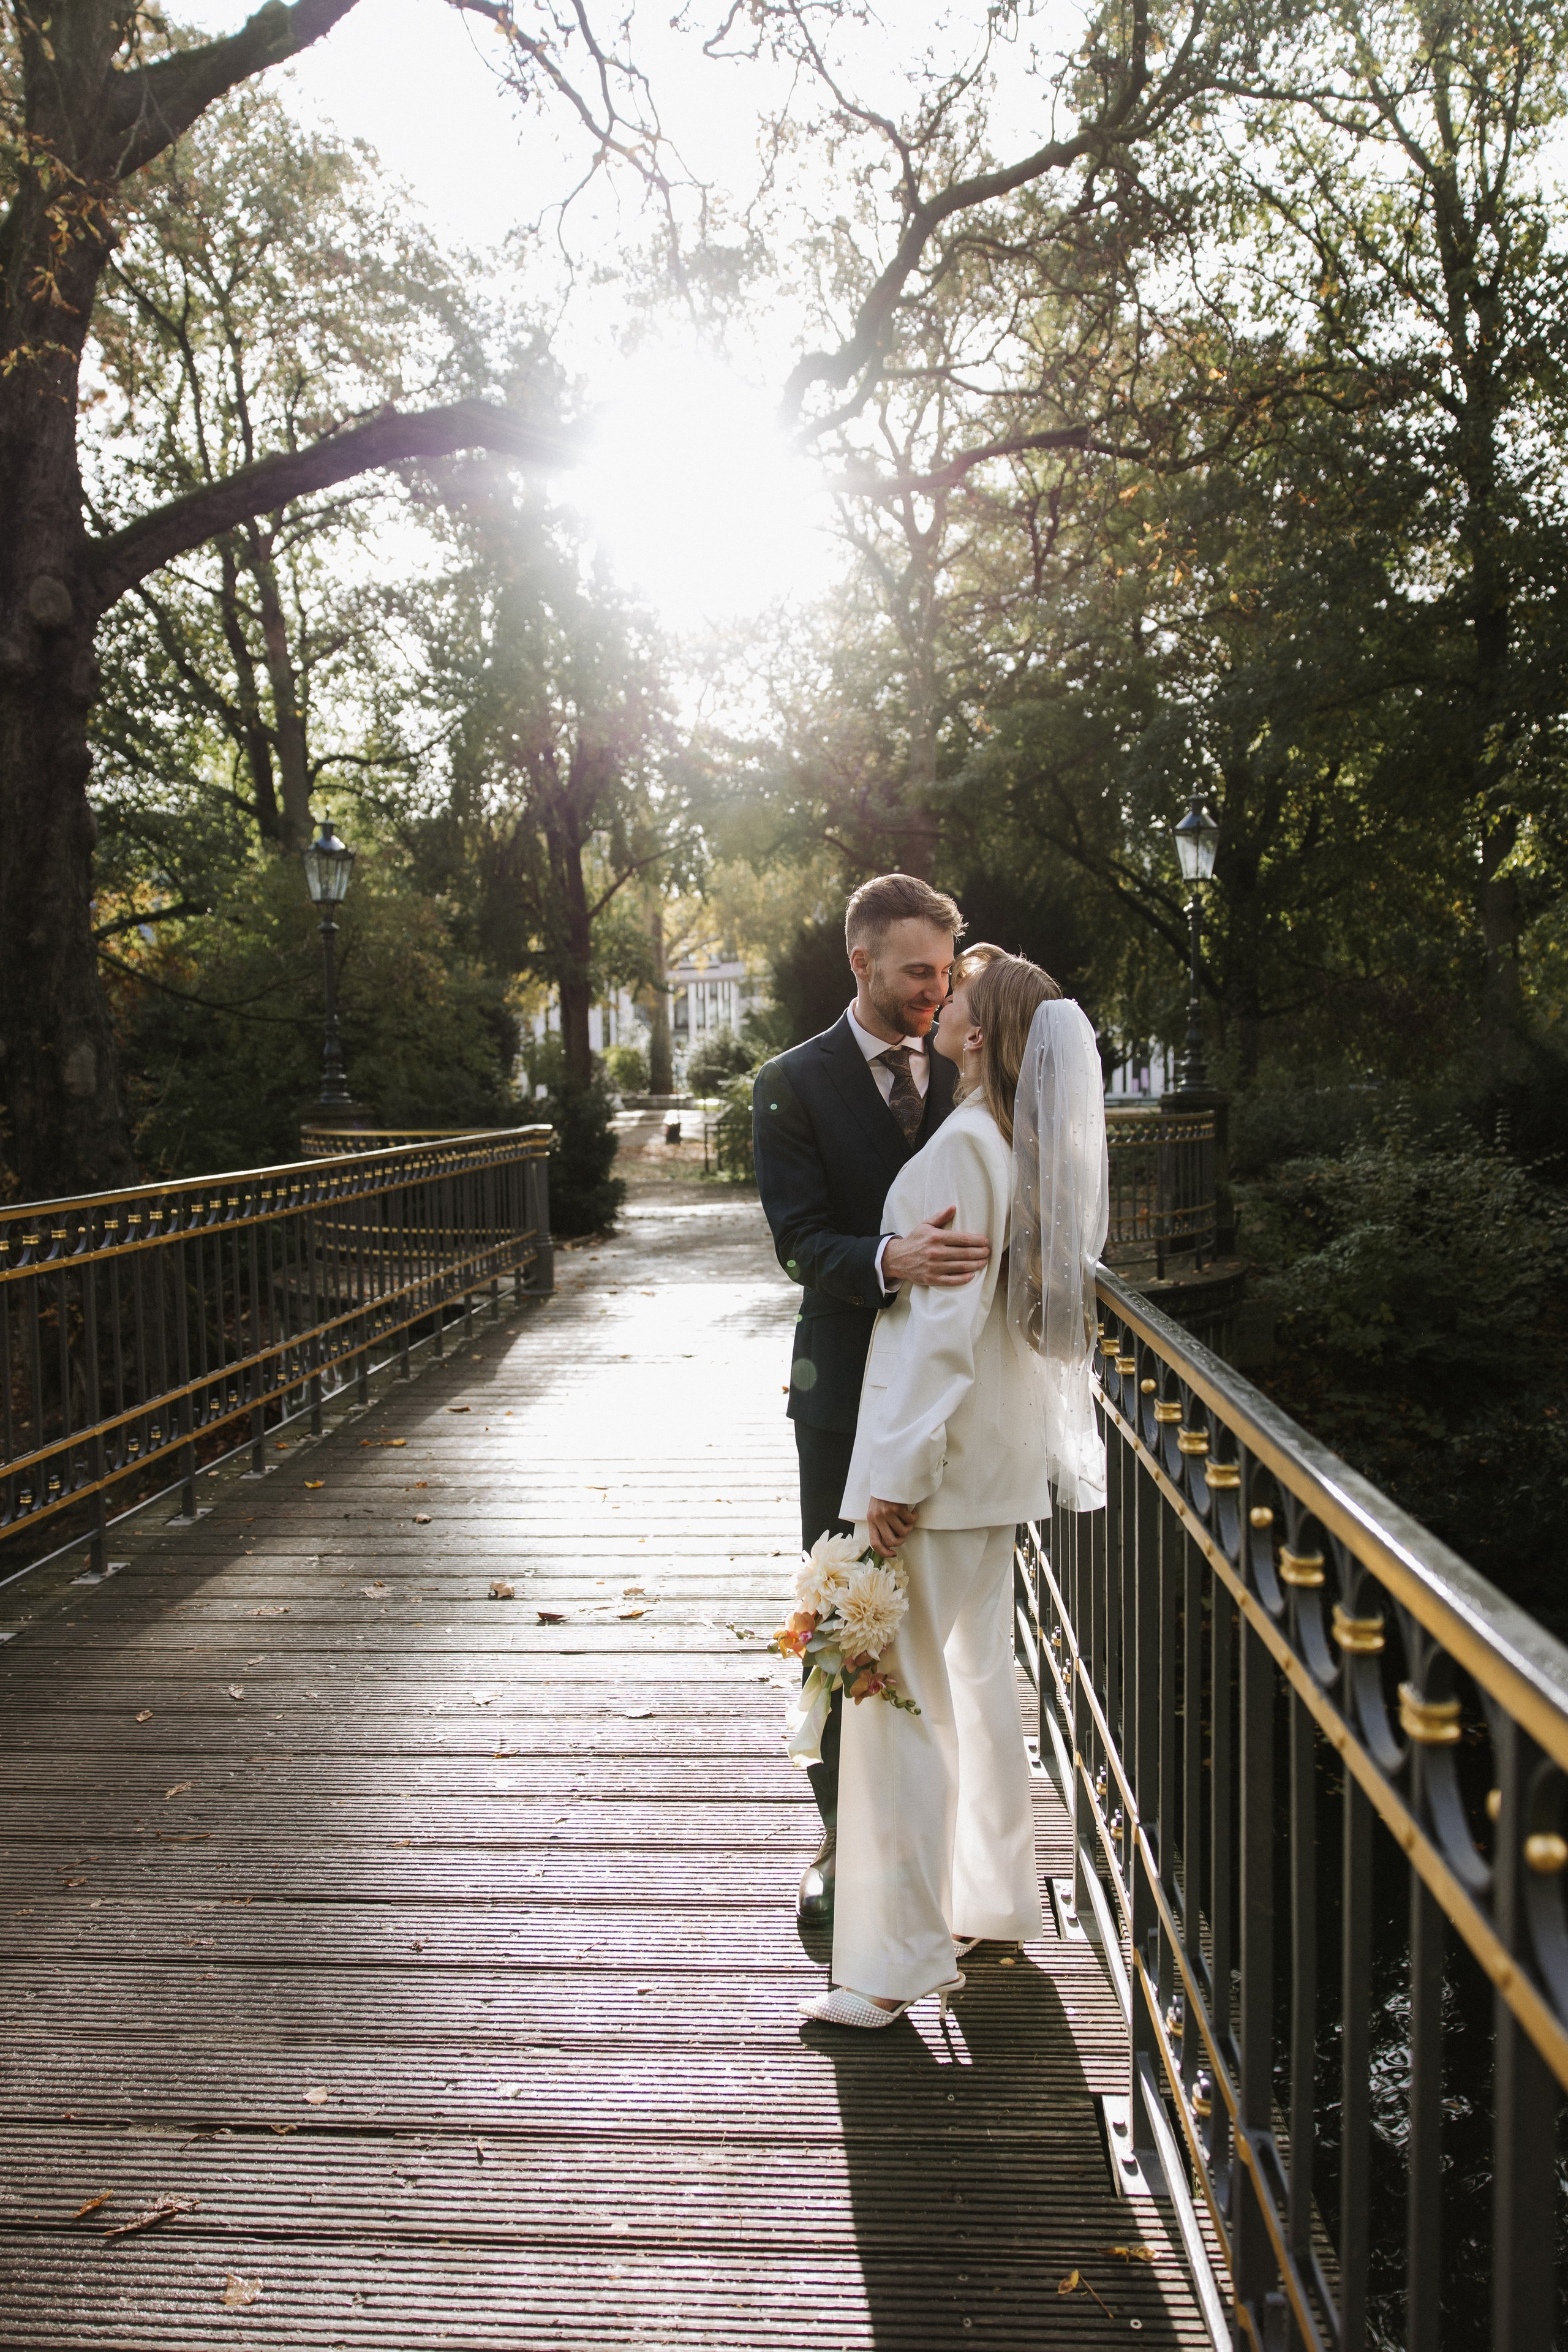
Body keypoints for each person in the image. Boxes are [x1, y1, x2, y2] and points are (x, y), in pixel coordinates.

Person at [801, 950, 1109, 2026]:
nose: (943, 1001)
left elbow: (944, 1337)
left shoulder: (962, 1148)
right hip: (997, 1474)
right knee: (976, 1690)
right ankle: (993, 1899)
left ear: (978, 1034)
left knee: (898, 1711)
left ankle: (890, 1968)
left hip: (937, 1476)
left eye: (962, 993)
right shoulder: (1014, 1146)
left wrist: (895, 1473)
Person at [753, 875, 994, 1924]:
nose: (937, 993)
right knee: (847, 1610)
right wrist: (891, 1257)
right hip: (845, 1388)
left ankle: (960, 1841)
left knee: (948, 1621)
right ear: (861, 964)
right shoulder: (791, 1082)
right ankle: (842, 1838)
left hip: (959, 1400)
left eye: (946, 973)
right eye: (916, 973)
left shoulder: (969, 1068)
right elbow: (798, 1242)